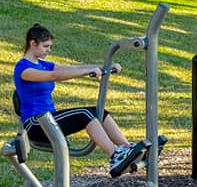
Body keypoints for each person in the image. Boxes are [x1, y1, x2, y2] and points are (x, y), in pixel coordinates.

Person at [14, 23, 144, 178]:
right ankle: (115, 156)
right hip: (36, 125)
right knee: (84, 115)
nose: (49, 50)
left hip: (49, 119)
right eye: (46, 46)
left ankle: (128, 149)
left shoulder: (42, 64)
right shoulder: (24, 69)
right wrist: (86, 73)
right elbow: (53, 76)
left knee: (99, 111)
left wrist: (105, 66)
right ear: (32, 43)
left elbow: (71, 68)